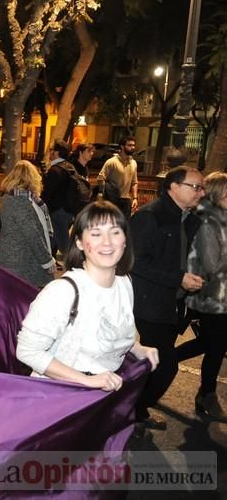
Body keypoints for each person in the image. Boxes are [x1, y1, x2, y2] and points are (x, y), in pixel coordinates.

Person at [17, 201, 159, 390]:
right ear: (80, 243)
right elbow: (28, 351)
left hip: (101, 400)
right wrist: (86, 380)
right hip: (61, 398)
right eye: (96, 234)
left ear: (125, 240)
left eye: (115, 232)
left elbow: (115, 331)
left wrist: (138, 349)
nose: (107, 242)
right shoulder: (63, 291)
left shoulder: (125, 283)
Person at [131, 166, 204, 436]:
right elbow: (136, 262)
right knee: (165, 366)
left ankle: (134, 412)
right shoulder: (149, 217)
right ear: (174, 187)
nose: (201, 192)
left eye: (202, 188)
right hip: (150, 303)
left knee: (151, 365)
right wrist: (179, 278)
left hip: (174, 304)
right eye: (195, 187)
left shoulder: (190, 218)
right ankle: (133, 413)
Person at [180, 171, 227, 421]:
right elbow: (211, 265)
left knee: (211, 344)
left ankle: (163, 361)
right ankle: (206, 394)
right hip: (210, 297)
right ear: (218, 196)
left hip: (220, 296)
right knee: (215, 346)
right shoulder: (209, 223)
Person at [0, 160, 55, 288]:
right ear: (32, 179)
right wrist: (47, 261)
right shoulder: (21, 202)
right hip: (23, 264)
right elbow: (33, 235)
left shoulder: (8, 198)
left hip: (11, 261)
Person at [41, 139, 74, 259]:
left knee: (64, 245)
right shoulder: (69, 167)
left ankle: (79, 267)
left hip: (57, 212)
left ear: (56, 153)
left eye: (51, 150)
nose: (49, 153)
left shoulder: (55, 170)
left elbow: (48, 193)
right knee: (51, 242)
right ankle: (46, 264)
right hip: (68, 211)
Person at [98, 136, 139, 218]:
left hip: (126, 201)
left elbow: (134, 182)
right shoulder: (111, 162)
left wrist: (135, 198)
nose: (133, 147)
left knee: (124, 227)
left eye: (133, 145)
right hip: (112, 200)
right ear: (122, 146)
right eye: (129, 145)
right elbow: (100, 178)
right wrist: (104, 195)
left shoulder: (133, 163)